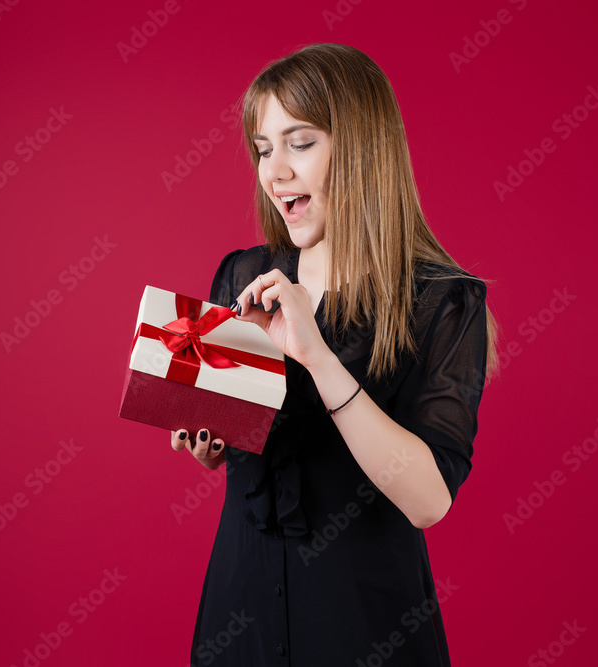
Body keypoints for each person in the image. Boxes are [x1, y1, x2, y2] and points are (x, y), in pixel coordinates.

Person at [169, 42, 501, 666]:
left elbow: (429, 500)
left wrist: (318, 357)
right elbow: (246, 441)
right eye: (264, 150)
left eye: (299, 143)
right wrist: (212, 442)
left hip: (365, 627)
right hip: (238, 617)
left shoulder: (444, 302)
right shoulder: (242, 273)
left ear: (362, 148)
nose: (274, 173)